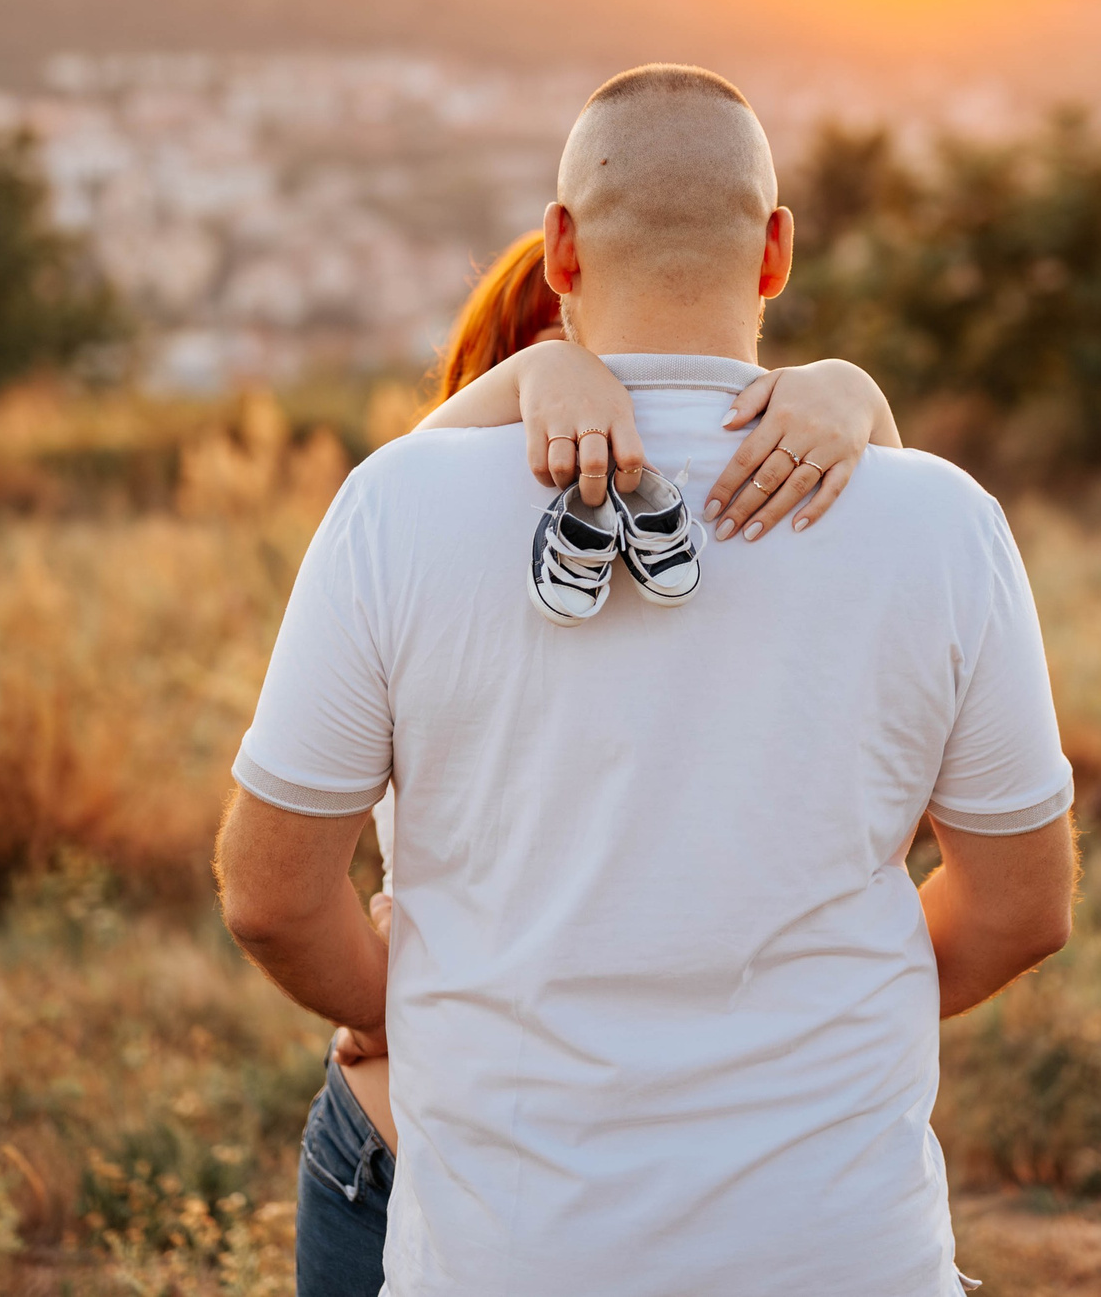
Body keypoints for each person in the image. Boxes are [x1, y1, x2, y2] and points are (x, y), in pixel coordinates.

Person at [216, 64, 1075, 1297]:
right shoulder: (944, 521)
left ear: (557, 250)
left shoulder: (395, 508)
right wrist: (819, 1015)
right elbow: (1020, 910)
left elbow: (268, 895)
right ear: (775, 251)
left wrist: (414, 1007)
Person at [285, 226, 909, 1285]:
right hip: (418, 1140)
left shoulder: (757, 513)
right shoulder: (413, 523)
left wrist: (855, 396)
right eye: (571, 360)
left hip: (702, 1157)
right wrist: (538, 374)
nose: (615, 402)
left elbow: (881, 637)